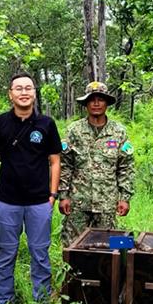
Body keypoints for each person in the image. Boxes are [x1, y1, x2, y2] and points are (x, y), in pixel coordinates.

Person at [0, 72, 62, 304]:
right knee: (6, 254)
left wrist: (52, 196)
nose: (24, 92)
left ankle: (42, 303)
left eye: (29, 88)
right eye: (18, 88)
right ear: (10, 94)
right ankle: (3, 303)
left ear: (35, 93)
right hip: (7, 202)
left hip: (39, 202)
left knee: (40, 254)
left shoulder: (46, 124)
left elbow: (55, 161)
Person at [58, 81, 134, 247]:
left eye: (101, 99)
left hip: (107, 203)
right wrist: (63, 196)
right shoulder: (74, 131)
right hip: (78, 202)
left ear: (107, 103)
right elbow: (65, 165)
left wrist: (125, 198)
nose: (96, 103)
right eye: (92, 99)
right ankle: (74, 274)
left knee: (107, 248)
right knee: (74, 247)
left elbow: (125, 167)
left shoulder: (118, 132)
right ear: (86, 103)